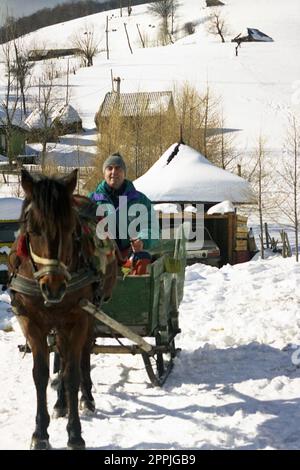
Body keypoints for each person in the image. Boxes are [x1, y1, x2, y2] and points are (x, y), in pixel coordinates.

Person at [88, 153, 159, 272]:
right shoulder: (92, 200)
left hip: (130, 255)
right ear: (104, 172)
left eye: (118, 168)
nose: (113, 172)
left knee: (143, 262)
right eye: (109, 168)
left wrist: (141, 240)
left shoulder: (140, 200)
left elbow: (151, 227)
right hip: (100, 257)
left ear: (124, 173)